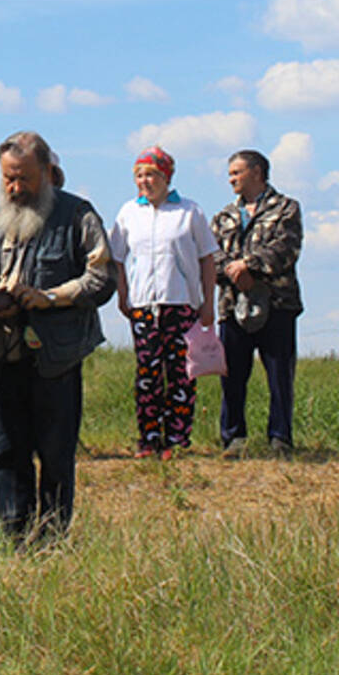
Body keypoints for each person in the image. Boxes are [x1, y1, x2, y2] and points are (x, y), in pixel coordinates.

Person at [0, 131, 114, 543]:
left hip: (56, 358)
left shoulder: (78, 215)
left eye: (24, 179)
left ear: (47, 173)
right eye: (8, 179)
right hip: (3, 352)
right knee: (0, 453)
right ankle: (8, 538)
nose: (15, 188)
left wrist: (49, 298)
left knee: (55, 454)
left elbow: (102, 278)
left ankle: (49, 540)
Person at [108, 146, 216, 460]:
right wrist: (122, 294)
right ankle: (149, 437)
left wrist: (209, 303)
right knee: (147, 373)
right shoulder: (129, 212)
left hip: (181, 303)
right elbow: (116, 258)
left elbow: (207, 258)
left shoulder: (189, 211)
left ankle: (177, 439)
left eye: (151, 174)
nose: (145, 181)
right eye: (139, 175)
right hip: (143, 306)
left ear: (166, 176)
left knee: (180, 372)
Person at [210, 149, 303, 457]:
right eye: (230, 173)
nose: (231, 178)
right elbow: (211, 256)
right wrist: (234, 273)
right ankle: (234, 438)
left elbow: (286, 248)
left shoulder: (286, 208)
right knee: (232, 376)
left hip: (277, 304)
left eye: (236, 172)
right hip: (231, 306)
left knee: (279, 375)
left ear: (257, 172)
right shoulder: (223, 217)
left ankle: (280, 439)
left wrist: (248, 266)